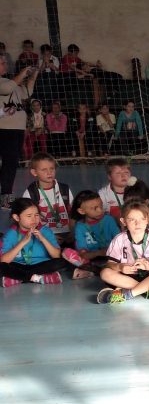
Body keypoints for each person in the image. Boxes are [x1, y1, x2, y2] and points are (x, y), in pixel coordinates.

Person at [95, 201, 149, 303]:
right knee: (105, 273)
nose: (138, 223)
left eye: (142, 219)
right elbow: (110, 264)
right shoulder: (119, 239)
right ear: (123, 221)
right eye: (132, 220)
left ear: (147, 220)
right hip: (128, 276)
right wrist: (121, 267)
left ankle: (127, 294)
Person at [1, 199, 88, 287]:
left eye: (36, 215)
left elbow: (56, 256)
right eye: (29, 216)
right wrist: (22, 242)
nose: (34, 219)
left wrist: (43, 239)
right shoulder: (10, 234)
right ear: (16, 217)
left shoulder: (45, 231)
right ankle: (37, 278)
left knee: (61, 261)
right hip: (20, 265)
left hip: (42, 266)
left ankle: (19, 278)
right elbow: (3, 260)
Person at [0, 56, 38, 209]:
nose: (5, 65)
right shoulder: (8, 83)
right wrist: (22, 73)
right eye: (2, 63)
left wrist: (33, 75)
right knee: (8, 164)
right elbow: (7, 89)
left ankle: (6, 195)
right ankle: (6, 196)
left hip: (16, 130)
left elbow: (26, 93)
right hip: (4, 130)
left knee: (11, 164)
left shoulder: (11, 82)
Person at [22, 152, 74, 242]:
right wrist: (46, 237)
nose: (49, 172)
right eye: (44, 170)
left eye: (52, 169)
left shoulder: (64, 189)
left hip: (68, 234)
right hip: (43, 236)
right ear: (34, 172)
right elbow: (27, 220)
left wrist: (73, 233)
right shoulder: (31, 193)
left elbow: (73, 213)